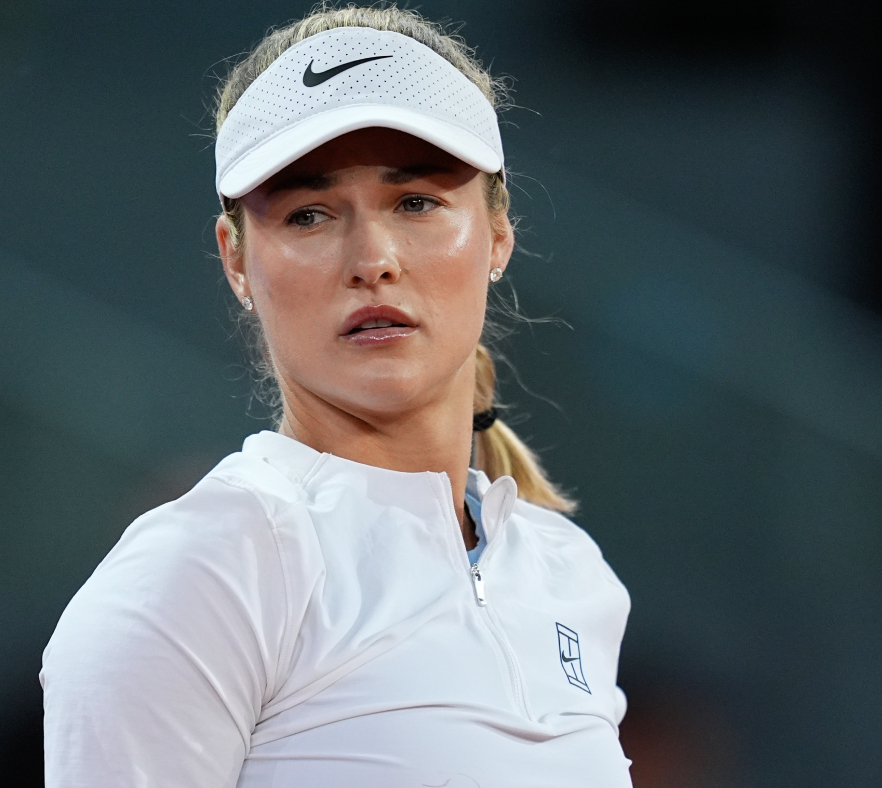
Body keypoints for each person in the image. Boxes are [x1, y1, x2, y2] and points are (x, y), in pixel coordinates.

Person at [40, 6, 632, 786]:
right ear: (236, 261)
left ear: (498, 235)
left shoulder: (568, 571)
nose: (372, 259)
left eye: (416, 202)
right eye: (309, 214)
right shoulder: (200, 575)